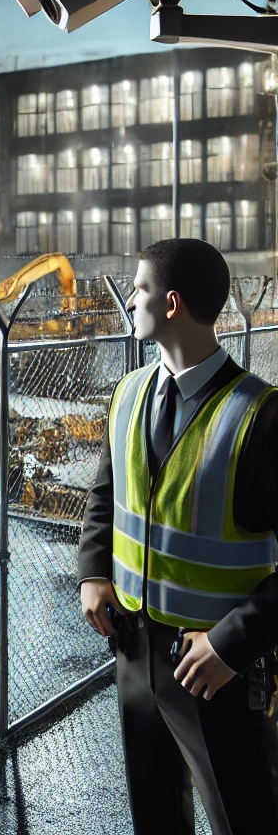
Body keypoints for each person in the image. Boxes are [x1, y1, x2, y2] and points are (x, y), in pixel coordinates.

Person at [77, 237, 278, 835]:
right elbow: (106, 498)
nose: (128, 302)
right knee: (155, 815)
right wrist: (93, 572)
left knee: (243, 818)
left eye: (137, 289)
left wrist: (232, 645)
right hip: (134, 648)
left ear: (170, 304)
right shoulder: (129, 393)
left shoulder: (260, 418)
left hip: (215, 666)